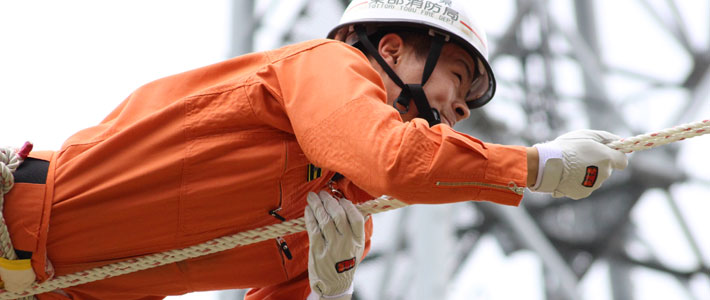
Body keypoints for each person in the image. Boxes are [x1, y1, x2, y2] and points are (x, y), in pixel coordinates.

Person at [1, 0, 627, 299]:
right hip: (16, 217)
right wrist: (534, 167)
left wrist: (331, 293)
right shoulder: (324, 67)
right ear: (390, 51)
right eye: (457, 79)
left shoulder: (342, 222)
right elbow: (396, 160)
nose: (461, 109)